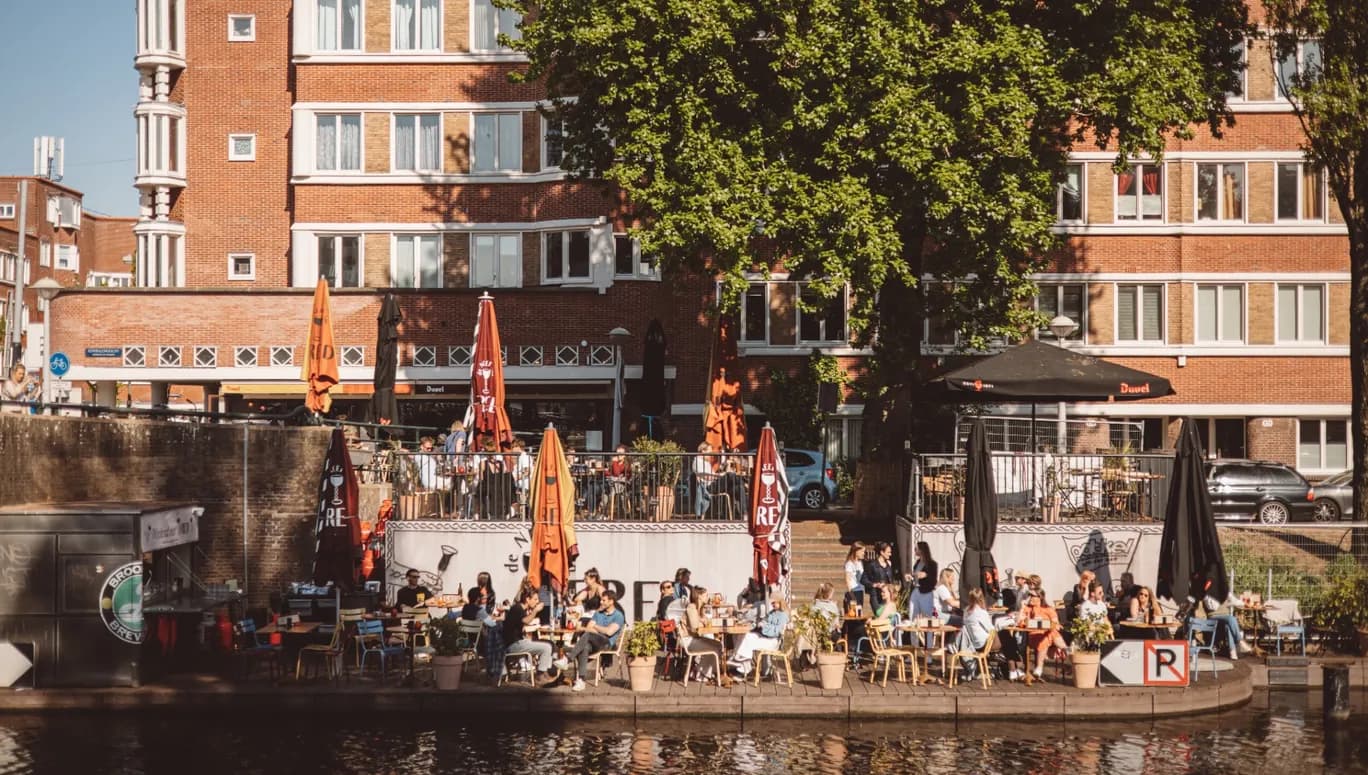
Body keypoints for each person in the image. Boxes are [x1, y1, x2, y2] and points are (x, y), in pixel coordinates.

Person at [557, 590, 626, 692]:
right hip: (594, 642)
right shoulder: (598, 613)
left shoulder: (618, 615)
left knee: (588, 635)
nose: (601, 602)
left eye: (604, 600)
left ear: (611, 601)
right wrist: (600, 629)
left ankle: (568, 659)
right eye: (601, 600)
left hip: (607, 644)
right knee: (585, 647)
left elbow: (609, 632)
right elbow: (589, 628)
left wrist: (596, 626)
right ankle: (581, 680)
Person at [502, 588, 555, 686]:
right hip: (513, 645)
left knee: (549, 644)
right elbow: (526, 621)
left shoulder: (519, 609)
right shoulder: (517, 608)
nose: (537, 601)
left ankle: (544, 673)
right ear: (527, 599)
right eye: (535, 599)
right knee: (547, 647)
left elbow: (520, 625)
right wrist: (535, 611)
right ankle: (540, 675)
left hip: (517, 643)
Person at [681, 586, 732, 686]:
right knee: (715, 647)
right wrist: (703, 622)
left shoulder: (700, 608)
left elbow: (704, 621)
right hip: (688, 640)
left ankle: (701, 671)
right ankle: (701, 674)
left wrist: (704, 621)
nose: (708, 597)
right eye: (705, 595)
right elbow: (695, 627)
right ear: (699, 596)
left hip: (694, 638)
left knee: (718, 645)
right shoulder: (691, 607)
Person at [729, 597, 788, 677]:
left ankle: (742, 666)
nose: (773, 604)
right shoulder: (772, 613)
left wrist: (764, 626)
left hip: (773, 641)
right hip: (765, 636)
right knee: (746, 635)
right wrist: (755, 624)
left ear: (780, 602)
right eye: (772, 603)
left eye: (775, 603)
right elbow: (763, 622)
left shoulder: (783, 616)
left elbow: (776, 631)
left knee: (749, 641)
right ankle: (741, 662)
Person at [1017, 588, 1068, 680]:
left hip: (1048, 636)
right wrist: (1022, 607)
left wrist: (1046, 624)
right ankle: (1066, 649)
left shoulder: (1049, 609)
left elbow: (1056, 625)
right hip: (1033, 637)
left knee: (1049, 633)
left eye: (1033, 596)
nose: (1030, 598)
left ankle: (1039, 668)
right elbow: (1019, 622)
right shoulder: (1028, 609)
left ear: (1040, 597)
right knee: (1049, 635)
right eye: (1030, 595)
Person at [1192, 590, 1254, 659]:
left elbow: (1235, 601)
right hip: (1213, 617)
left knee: (1227, 625)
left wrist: (1244, 604)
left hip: (1225, 618)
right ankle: (1240, 641)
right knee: (1231, 619)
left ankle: (1232, 651)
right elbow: (1212, 607)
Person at [955, 588, 994, 679]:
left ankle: (977, 669)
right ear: (981, 598)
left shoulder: (966, 610)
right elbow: (990, 628)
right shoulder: (981, 612)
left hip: (970, 642)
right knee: (1001, 636)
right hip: (980, 643)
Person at [908, 541, 938, 620]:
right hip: (915, 590)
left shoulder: (932, 564)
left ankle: (929, 632)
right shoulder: (918, 562)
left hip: (926, 592)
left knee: (927, 615)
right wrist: (910, 576)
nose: (915, 550)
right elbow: (915, 574)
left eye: (916, 549)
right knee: (912, 614)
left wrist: (926, 575)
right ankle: (913, 632)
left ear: (922, 550)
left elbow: (934, 580)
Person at [863, 541, 896, 611]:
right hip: (876, 596)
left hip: (887, 596)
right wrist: (874, 584)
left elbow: (891, 579)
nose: (890, 554)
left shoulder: (889, 564)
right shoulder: (872, 565)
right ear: (882, 552)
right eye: (888, 552)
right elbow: (863, 579)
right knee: (880, 614)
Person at [693, 442, 715, 518]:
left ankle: (744, 513)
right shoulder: (697, 462)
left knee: (738, 486)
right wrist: (716, 476)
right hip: (708, 486)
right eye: (709, 452)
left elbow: (712, 474)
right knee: (731, 476)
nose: (710, 455)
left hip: (714, 482)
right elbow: (704, 476)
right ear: (703, 451)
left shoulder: (706, 463)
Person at [843, 542, 866, 610]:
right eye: (862, 551)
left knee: (859, 610)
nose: (863, 553)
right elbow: (848, 579)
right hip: (854, 591)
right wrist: (851, 594)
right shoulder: (850, 564)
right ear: (856, 551)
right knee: (854, 611)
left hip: (860, 590)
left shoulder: (860, 563)